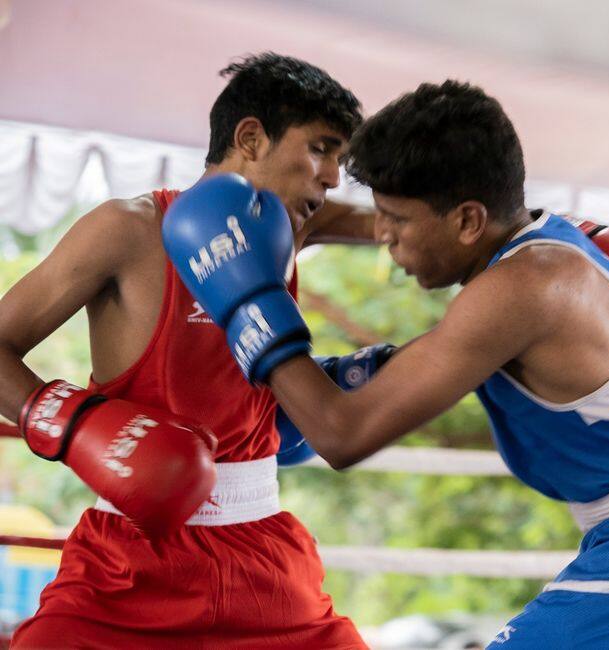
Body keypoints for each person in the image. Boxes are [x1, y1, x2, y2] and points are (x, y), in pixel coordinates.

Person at [167, 81, 609, 648]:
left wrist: (249, 305)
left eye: (397, 222)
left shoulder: (521, 288)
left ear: (467, 220)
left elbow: (344, 435)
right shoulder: (533, 247)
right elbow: (409, 341)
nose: (385, 238)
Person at [1, 52, 371, 648]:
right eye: (320, 149)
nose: (331, 177)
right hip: (126, 564)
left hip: (266, 565)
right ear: (250, 137)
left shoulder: (291, 232)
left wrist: (523, 226)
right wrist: (74, 423)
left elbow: (398, 223)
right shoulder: (126, 229)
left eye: (339, 161)